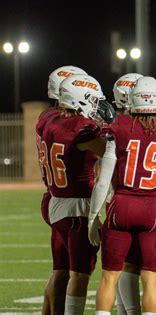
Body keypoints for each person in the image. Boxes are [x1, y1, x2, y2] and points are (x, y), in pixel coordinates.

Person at [88, 76, 156, 315]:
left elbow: (103, 181)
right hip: (152, 208)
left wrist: (92, 217)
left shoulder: (119, 129)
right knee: (151, 281)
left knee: (109, 278)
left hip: (120, 205)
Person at [38, 73, 107, 314]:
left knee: (60, 270)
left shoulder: (49, 120)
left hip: (56, 200)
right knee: (79, 274)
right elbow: (112, 150)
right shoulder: (82, 128)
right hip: (79, 206)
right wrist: (111, 123)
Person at [107, 72, 156, 315]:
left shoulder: (118, 127)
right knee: (130, 266)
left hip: (122, 203)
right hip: (134, 202)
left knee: (121, 267)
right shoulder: (122, 128)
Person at [37, 65, 88, 315]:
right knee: (70, 272)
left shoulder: (48, 118)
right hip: (70, 200)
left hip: (54, 194)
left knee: (60, 270)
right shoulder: (71, 125)